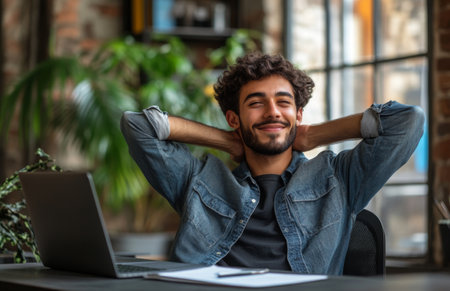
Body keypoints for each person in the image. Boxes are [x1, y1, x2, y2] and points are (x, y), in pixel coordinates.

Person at [120, 52, 424, 275]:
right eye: (255, 103)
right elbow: (139, 127)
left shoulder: (339, 180)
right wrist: (226, 140)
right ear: (233, 118)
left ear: (299, 114)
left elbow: (407, 121)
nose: (272, 112)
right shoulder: (197, 181)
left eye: (284, 102)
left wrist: (314, 136)